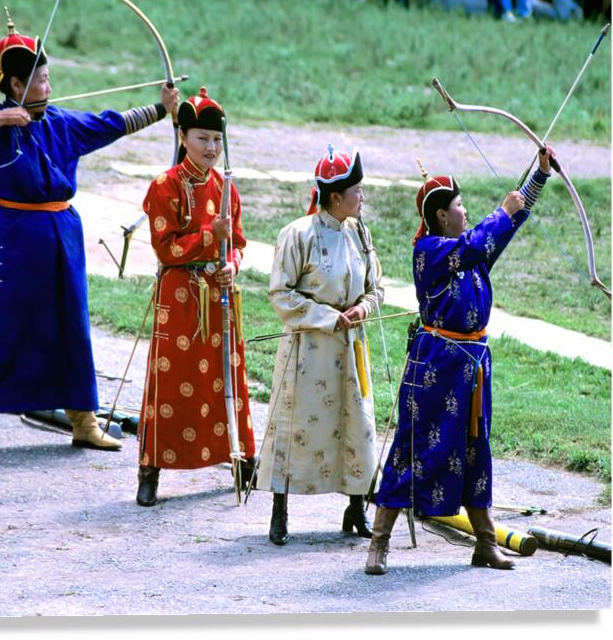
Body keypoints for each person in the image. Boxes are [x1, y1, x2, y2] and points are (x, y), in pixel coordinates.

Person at [0, 18, 180, 459]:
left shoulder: (61, 123)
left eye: (48, 78)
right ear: (15, 84)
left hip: (62, 234)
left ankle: (84, 422)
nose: (49, 86)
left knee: (72, 324)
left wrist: (161, 108)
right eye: (40, 79)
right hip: (10, 235)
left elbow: (111, 123)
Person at [365, 149, 556, 575]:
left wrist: (538, 177)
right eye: (458, 206)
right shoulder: (429, 251)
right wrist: (501, 212)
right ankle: (378, 545)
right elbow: (481, 238)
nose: (464, 210)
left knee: (475, 452)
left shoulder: (470, 252)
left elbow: (502, 228)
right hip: (434, 368)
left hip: (470, 370)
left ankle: (485, 544)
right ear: (439, 216)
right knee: (413, 450)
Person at [254, 147, 383, 543]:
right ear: (334, 197)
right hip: (309, 350)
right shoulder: (297, 235)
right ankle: (280, 511)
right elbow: (281, 294)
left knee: (356, 424)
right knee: (296, 428)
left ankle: (356, 506)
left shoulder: (360, 232)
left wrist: (362, 308)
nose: (361, 198)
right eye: (356, 191)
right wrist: (329, 318)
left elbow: (376, 287)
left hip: (351, 346)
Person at [135, 87, 256, 507]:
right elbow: (164, 248)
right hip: (181, 296)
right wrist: (209, 236)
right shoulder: (164, 186)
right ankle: (151, 469)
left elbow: (238, 243)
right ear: (183, 136)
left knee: (227, 378)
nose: (211, 147)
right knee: (170, 383)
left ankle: (242, 459)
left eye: (217, 140)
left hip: (219, 295)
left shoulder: (227, 188)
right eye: (202, 138)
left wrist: (232, 265)